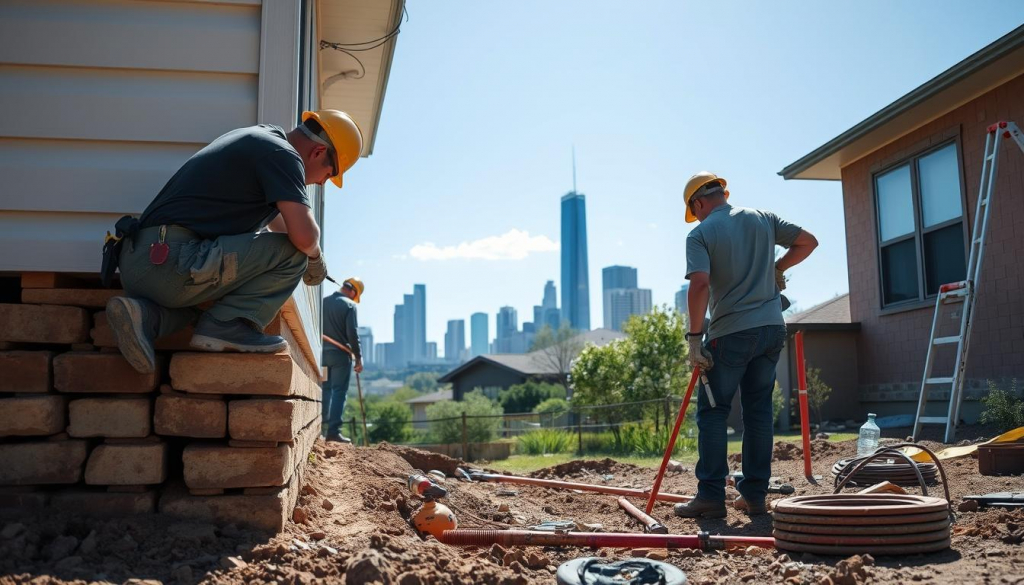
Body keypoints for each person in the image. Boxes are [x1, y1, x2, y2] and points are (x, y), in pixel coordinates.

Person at [103, 110, 362, 374]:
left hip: (143, 262)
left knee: (211, 306)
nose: (321, 182)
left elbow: (281, 225)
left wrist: (311, 252)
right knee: (293, 255)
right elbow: (304, 237)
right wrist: (314, 257)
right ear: (318, 152)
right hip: (171, 260)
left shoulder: (261, 139)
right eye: (328, 175)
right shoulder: (283, 155)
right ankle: (228, 327)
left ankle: (144, 317)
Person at [673, 172, 818, 519]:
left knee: (713, 411)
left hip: (732, 332)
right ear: (722, 192)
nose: (699, 216)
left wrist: (695, 339)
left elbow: (700, 286)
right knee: (758, 414)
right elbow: (809, 242)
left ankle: (710, 496)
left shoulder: (701, 233)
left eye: (696, 211)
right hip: (771, 329)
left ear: (698, 203)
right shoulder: (764, 219)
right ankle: (754, 497)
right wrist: (777, 268)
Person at [321, 277, 365, 443]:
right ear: (353, 292)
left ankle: (320, 429)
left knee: (325, 389)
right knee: (339, 392)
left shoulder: (323, 302)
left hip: (322, 356)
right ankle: (333, 432)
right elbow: (352, 334)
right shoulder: (349, 305)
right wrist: (358, 358)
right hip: (340, 356)